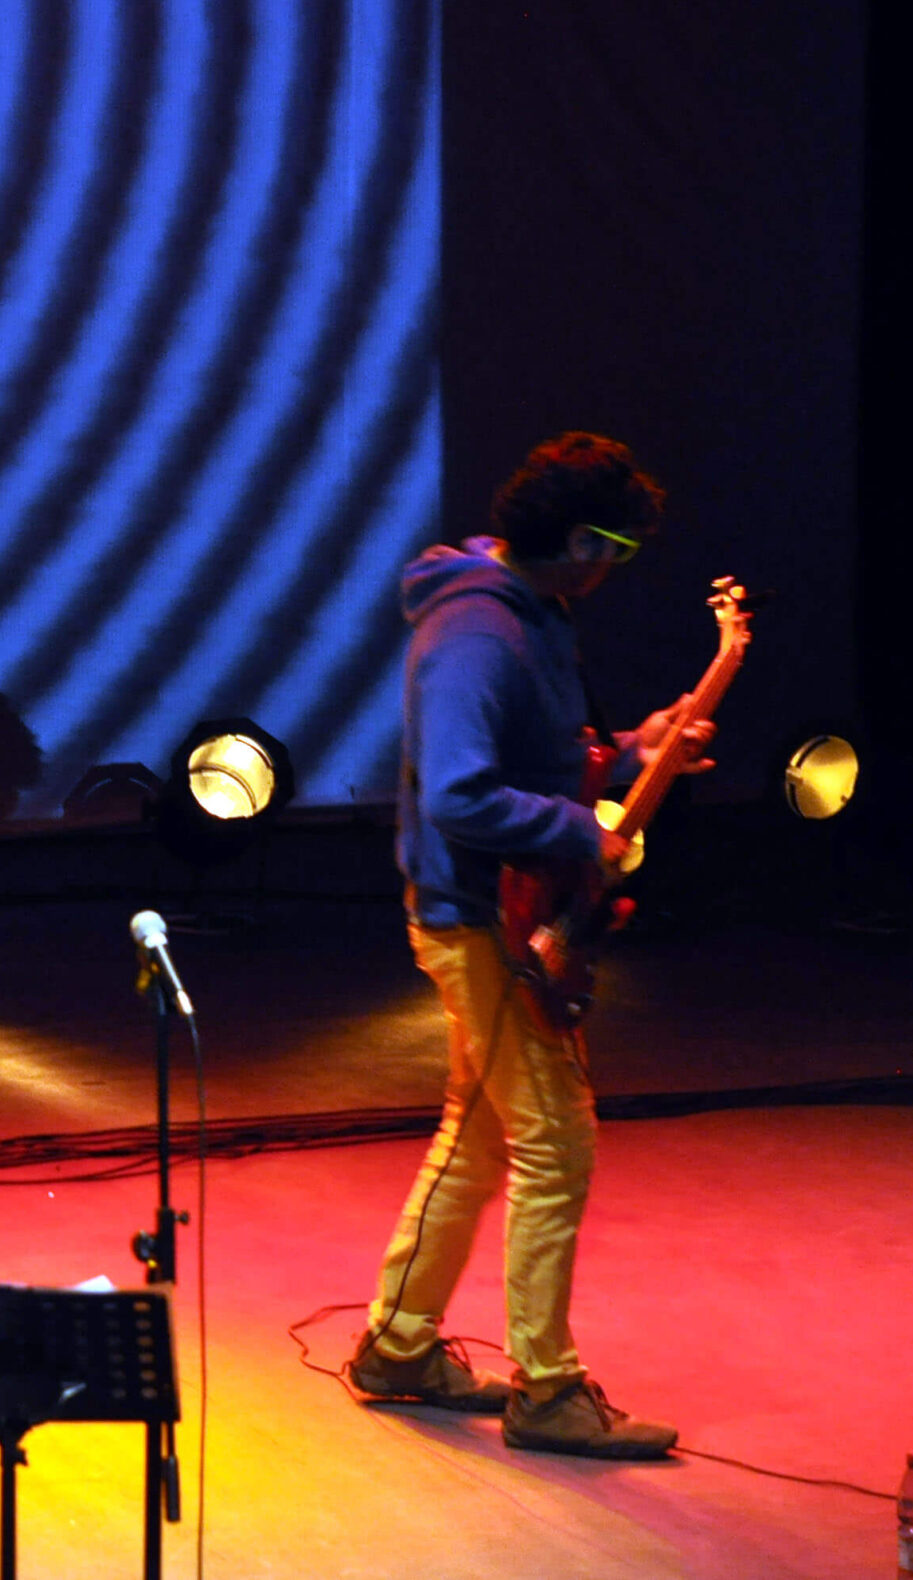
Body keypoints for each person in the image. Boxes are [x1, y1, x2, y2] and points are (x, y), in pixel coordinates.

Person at [347, 432, 713, 1461]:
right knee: (556, 1142)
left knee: (475, 1135)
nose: (614, 570)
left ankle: (399, 1344)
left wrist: (633, 751)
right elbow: (461, 791)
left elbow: (541, 764)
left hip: (483, 911)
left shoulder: (528, 611)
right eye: (617, 549)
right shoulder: (479, 630)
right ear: (581, 541)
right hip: (480, 917)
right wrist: (581, 832)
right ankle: (545, 1387)